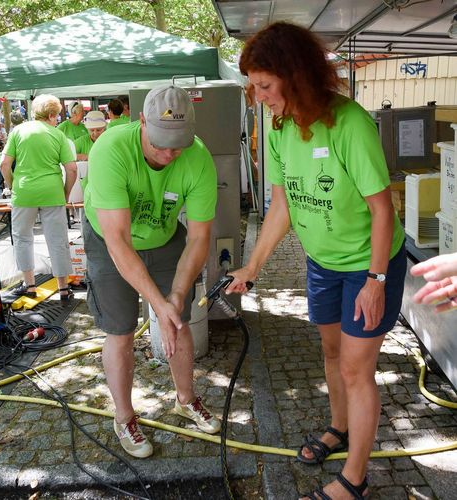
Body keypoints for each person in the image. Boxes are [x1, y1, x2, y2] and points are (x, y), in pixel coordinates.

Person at [226, 22, 406, 500]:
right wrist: (253, 266)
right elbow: (282, 205)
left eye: (265, 85)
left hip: (368, 265)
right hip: (323, 263)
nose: (259, 96)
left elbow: (381, 208)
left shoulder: (348, 123)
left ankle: (355, 479)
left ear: (296, 75)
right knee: (331, 354)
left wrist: (376, 279)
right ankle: (339, 427)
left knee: (355, 369)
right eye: (254, 86)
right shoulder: (281, 126)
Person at [83, 84, 220, 458]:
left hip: (163, 236)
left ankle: (186, 399)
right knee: (121, 329)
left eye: (178, 144)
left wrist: (174, 297)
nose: (168, 154)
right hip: (109, 237)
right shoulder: (110, 149)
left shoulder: (198, 158)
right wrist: (156, 302)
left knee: (178, 318)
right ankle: (124, 416)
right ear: (141, 121)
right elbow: (119, 241)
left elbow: (199, 238)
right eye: (160, 142)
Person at [0, 94, 77, 300]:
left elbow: (4, 164)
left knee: (22, 238)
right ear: (52, 115)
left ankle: (29, 285)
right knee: (57, 239)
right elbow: (71, 169)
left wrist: (12, 186)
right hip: (52, 191)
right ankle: (63, 288)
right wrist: (65, 193)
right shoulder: (57, 135)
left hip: (24, 192)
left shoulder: (18, 131)